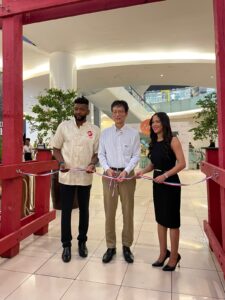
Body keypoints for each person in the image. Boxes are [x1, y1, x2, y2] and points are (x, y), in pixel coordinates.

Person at [52, 96, 100, 263]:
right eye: (76, 109)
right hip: (67, 176)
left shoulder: (94, 130)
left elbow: (96, 153)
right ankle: (66, 244)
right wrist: (61, 162)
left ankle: (82, 242)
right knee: (66, 212)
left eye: (81, 109)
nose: (78, 111)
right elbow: (56, 148)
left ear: (87, 111)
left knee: (84, 211)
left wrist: (92, 164)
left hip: (85, 177)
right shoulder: (64, 126)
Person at [136, 112, 186, 271]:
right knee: (160, 219)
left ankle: (174, 256)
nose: (154, 124)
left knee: (172, 221)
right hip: (157, 183)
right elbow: (152, 164)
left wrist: (165, 175)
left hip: (170, 183)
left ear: (164, 123)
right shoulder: (154, 142)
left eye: (157, 121)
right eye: (152, 122)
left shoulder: (173, 140)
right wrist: (142, 171)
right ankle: (163, 253)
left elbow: (182, 163)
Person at [98, 100, 140, 264]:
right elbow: (101, 154)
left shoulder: (133, 133)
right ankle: (110, 246)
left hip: (127, 176)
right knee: (109, 212)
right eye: (114, 111)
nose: (117, 114)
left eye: (120, 111)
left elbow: (136, 155)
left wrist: (126, 171)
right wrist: (107, 169)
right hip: (109, 176)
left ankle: (126, 246)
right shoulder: (106, 134)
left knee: (128, 211)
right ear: (112, 113)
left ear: (126, 113)